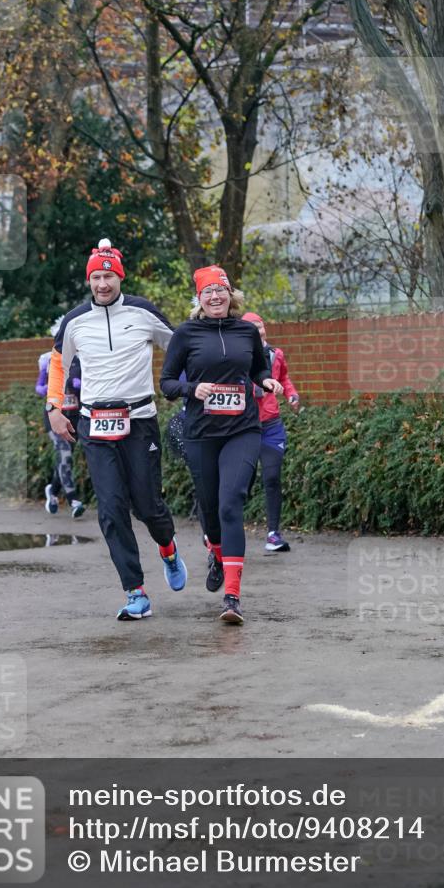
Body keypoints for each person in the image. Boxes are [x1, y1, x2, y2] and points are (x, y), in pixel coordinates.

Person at [46, 239, 187, 621]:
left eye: (109, 276)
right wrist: (54, 409)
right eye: (96, 277)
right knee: (110, 508)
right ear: (89, 280)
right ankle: (135, 591)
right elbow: (58, 365)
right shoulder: (75, 322)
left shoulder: (142, 312)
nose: (102, 284)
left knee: (147, 505)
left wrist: (187, 389)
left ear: (119, 277)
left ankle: (168, 548)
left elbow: (179, 347)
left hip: (139, 421)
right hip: (94, 424)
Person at [160, 265, 283, 625]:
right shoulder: (186, 334)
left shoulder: (246, 331)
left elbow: (259, 371)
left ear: (231, 295)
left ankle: (232, 598)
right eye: (208, 292)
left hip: (242, 430)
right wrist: (190, 389)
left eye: (221, 290)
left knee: (231, 504)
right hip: (200, 433)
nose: (215, 297)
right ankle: (215, 549)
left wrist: (269, 383)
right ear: (199, 298)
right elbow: (166, 383)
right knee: (211, 509)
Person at [242, 312, 300, 552]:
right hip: (244, 428)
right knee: (241, 484)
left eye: (260, 326)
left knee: (272, 478)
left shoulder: (276, 355)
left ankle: (274, 534)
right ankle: (222, 533)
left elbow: (284, 378)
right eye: (251, 328)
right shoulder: (237, 357)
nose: (257, 331)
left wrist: (291, 394)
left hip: (271, 426)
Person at [35, 318, 85, 519]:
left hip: (74, 416)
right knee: (64, 455)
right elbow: (38, 386)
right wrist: (47, 389)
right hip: (54, 416)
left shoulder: (81, 359)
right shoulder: (48, 360)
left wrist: (79, 384)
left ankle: (53, 492)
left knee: (66, 458)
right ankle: (73, 500)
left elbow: (89, 385)